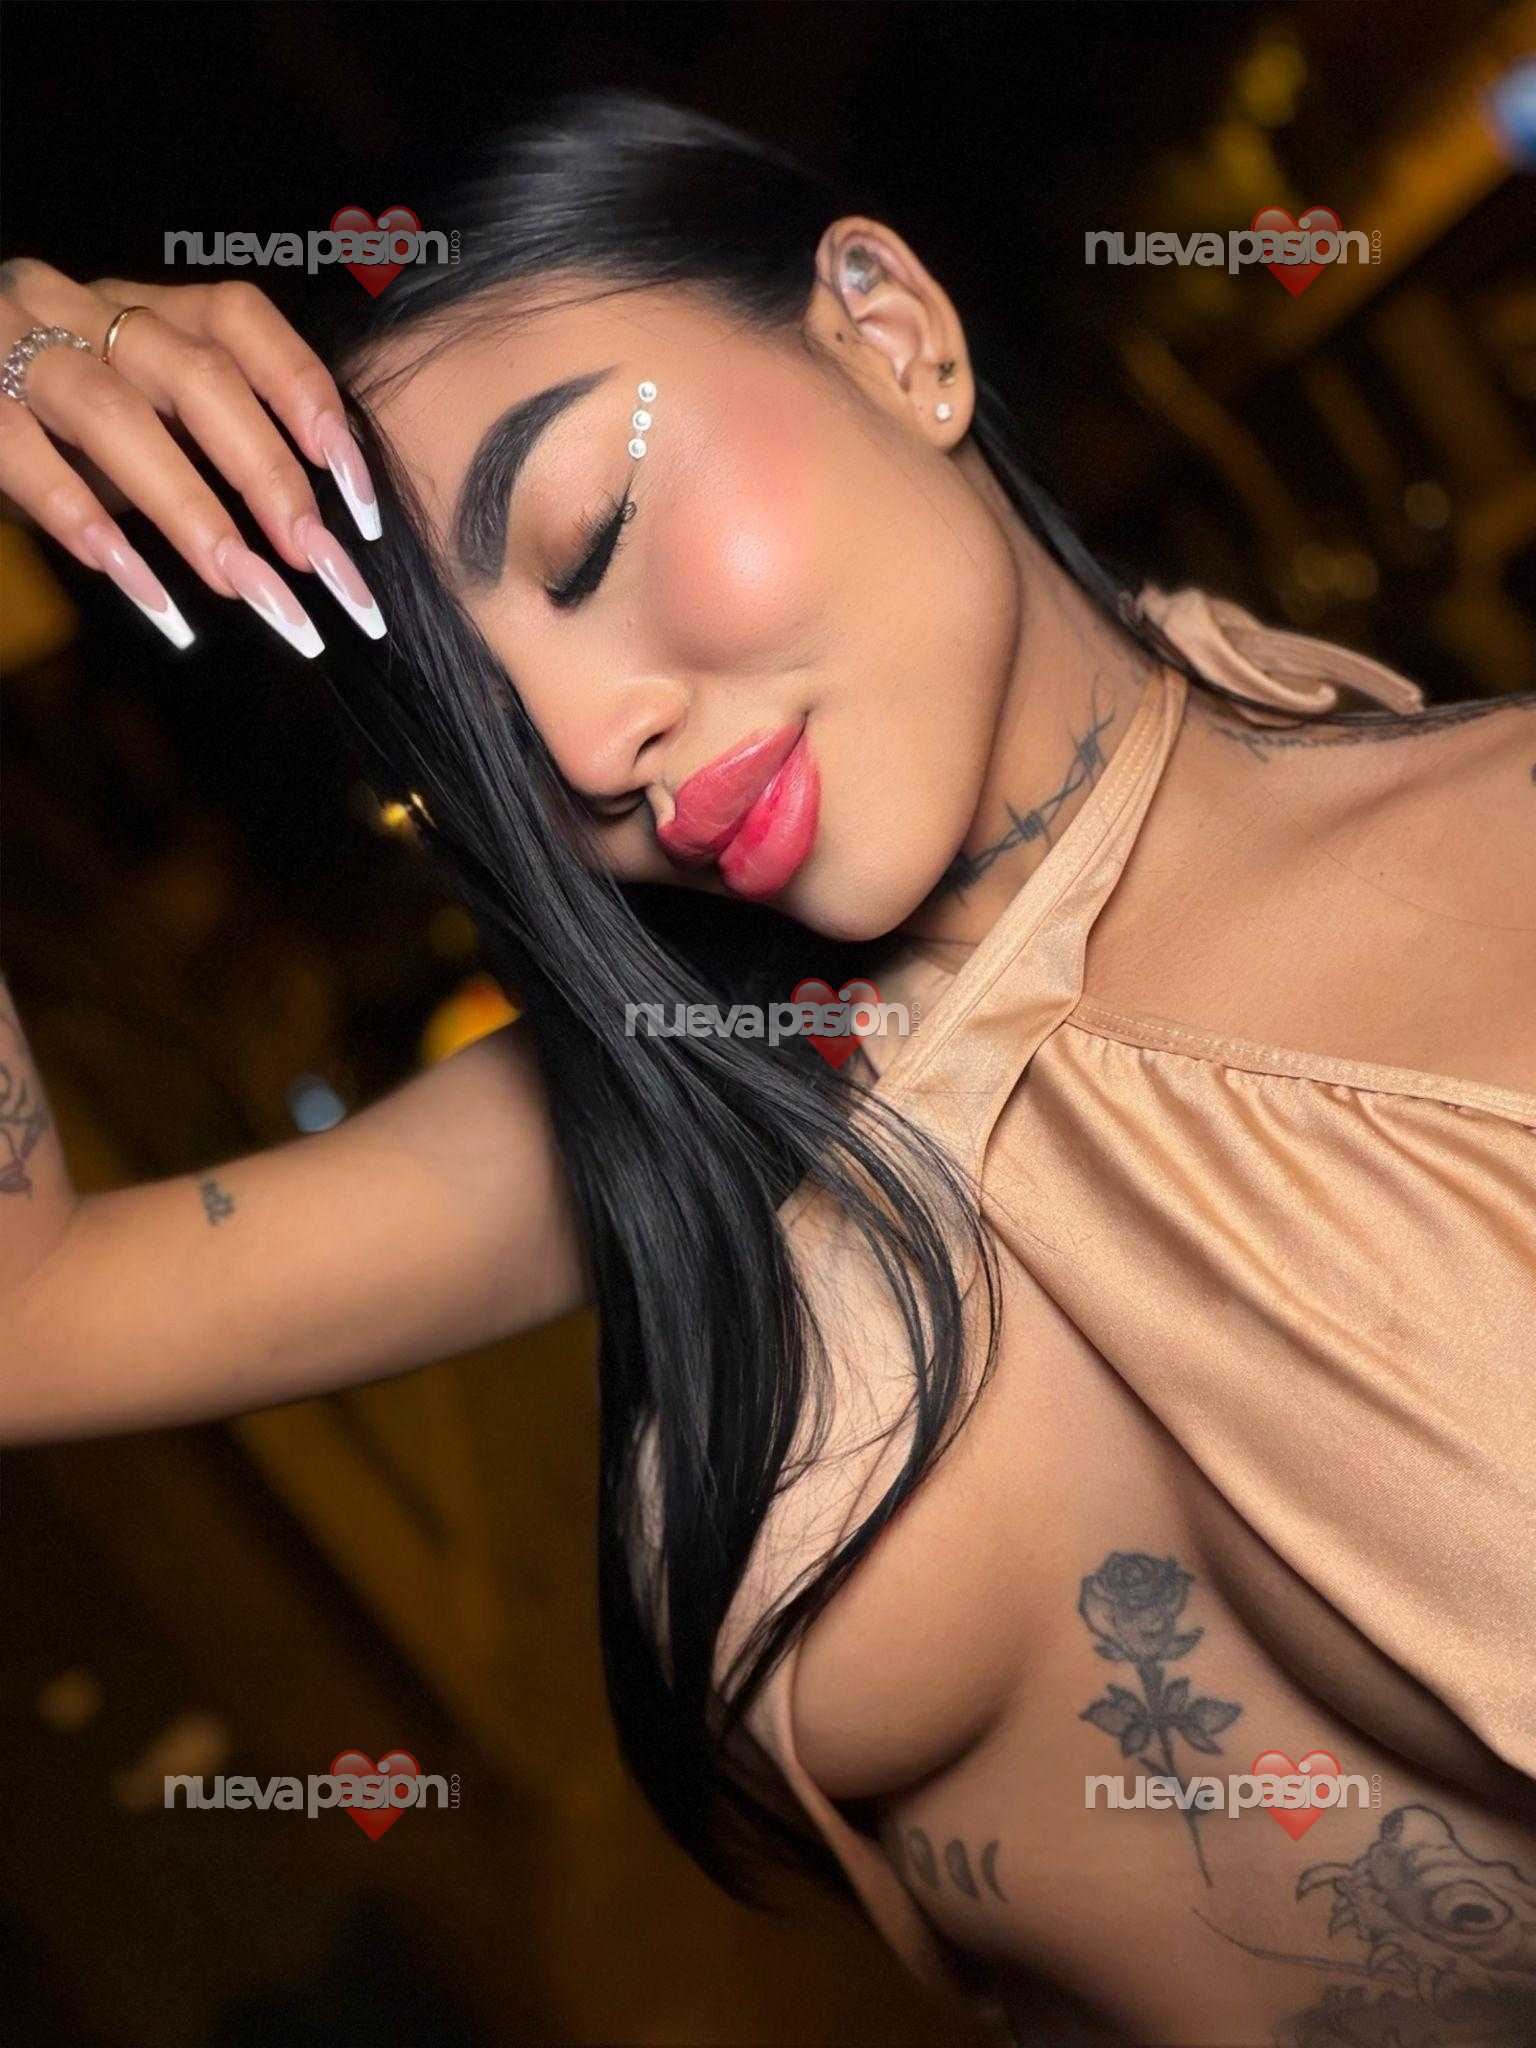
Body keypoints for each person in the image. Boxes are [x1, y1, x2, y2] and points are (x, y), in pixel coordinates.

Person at [3, 90, 1534, 2048]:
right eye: (489, 736)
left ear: (890, 331)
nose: (584, 743)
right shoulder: (686, 1098)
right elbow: (26, 1315)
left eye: (589, 537)